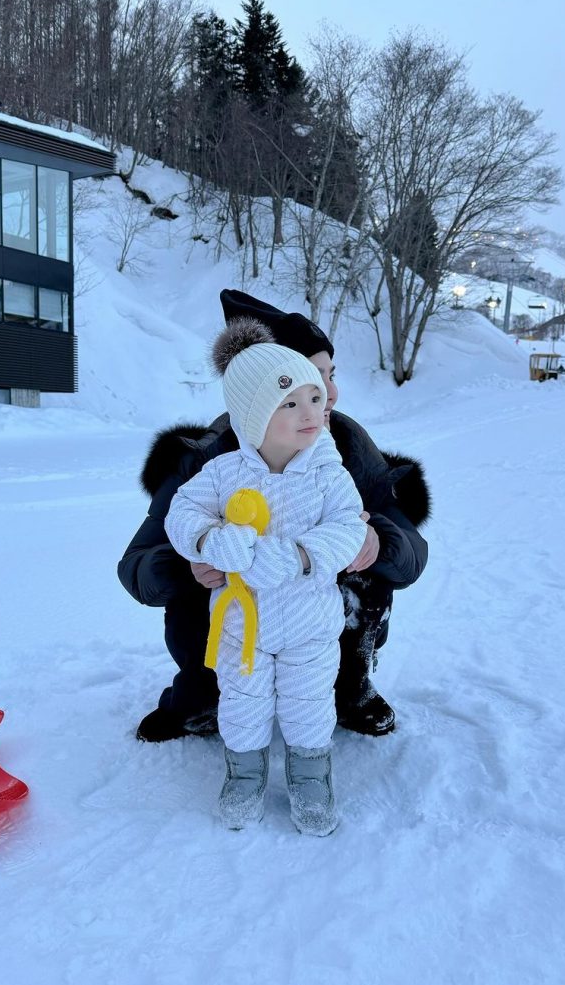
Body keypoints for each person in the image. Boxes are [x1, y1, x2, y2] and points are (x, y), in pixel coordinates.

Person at [117, 289, 431, 743]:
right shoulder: (210, 457)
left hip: (313, 622)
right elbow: (137, 566)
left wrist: (379, 540)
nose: (329, 397)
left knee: (363, 570)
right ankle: (204, 693)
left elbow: (411, 557)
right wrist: (191, 561)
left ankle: (348, 689)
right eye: (312, 381)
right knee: (207, 578)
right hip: (234, 630)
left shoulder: (346, 443)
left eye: (328, 379)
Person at [165, 318, 367, 834]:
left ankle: (310, 779)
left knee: (308, 705)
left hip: (310, 625)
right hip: (240, 625)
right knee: (242, 704)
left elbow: (348, 527)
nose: (312, 414)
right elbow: (182, 512)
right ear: (253, 416)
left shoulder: (329, 473)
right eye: (290, 403)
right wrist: (211, 540)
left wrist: (301, 556)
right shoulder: (223, 472)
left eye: (315, 398)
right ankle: (244, 775)